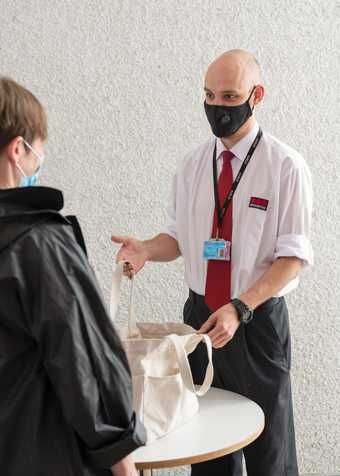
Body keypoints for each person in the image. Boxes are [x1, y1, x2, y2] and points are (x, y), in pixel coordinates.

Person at [112, 49, 313, 476]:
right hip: (200, 321)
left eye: (228, 96)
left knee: (270, 456)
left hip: (255, 323)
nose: (217, 107)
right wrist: (147, 249)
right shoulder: (191, 165)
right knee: (207, 454)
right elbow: (178, 239)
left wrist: (240, 307)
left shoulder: (285, 168)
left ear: (256, 95)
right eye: (209, 96)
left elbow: (292, 259)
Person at [0, 77, 146, 476]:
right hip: (42, 454)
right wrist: (125, 465)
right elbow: (83, 363)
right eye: (37, 152)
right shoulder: (39, 243)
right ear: (17, 149)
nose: (37, 164)